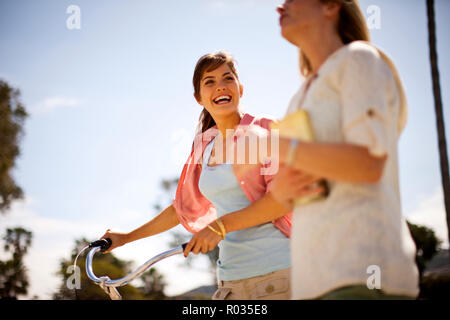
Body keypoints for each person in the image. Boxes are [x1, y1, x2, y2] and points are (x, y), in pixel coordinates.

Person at [100, 51, 321, 300]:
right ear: (199, 97)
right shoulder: (204, 145)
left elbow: (282, 200)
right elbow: (182, 209)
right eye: (210, 82)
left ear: (240, 88)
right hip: (231, 281)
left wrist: (219, 227)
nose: (221, 87)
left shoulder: (265, 130)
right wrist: (127, 238)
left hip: (280, 273)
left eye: (228, 79)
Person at [271, 0, 420, 299]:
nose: (280, 6)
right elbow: (300, 188)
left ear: (330, 6)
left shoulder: (359, 60)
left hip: (360, 276)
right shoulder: (298, 97)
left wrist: (280, 146)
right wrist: (280, 190)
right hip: (311, 285)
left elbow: (368, 164)